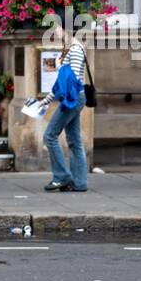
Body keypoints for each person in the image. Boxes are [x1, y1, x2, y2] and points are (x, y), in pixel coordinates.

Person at [41, 26, 89, 193]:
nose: (54, 32)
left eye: (56, 28)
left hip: (72, 98)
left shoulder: (75, 49)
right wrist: (46, 100)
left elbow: (72, 79)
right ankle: (79, 182)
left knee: (49, 135)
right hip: (73, 97)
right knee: (74, 139)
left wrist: (62, 68)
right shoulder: (72, 48)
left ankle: (61, 176)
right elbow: (64, 80)